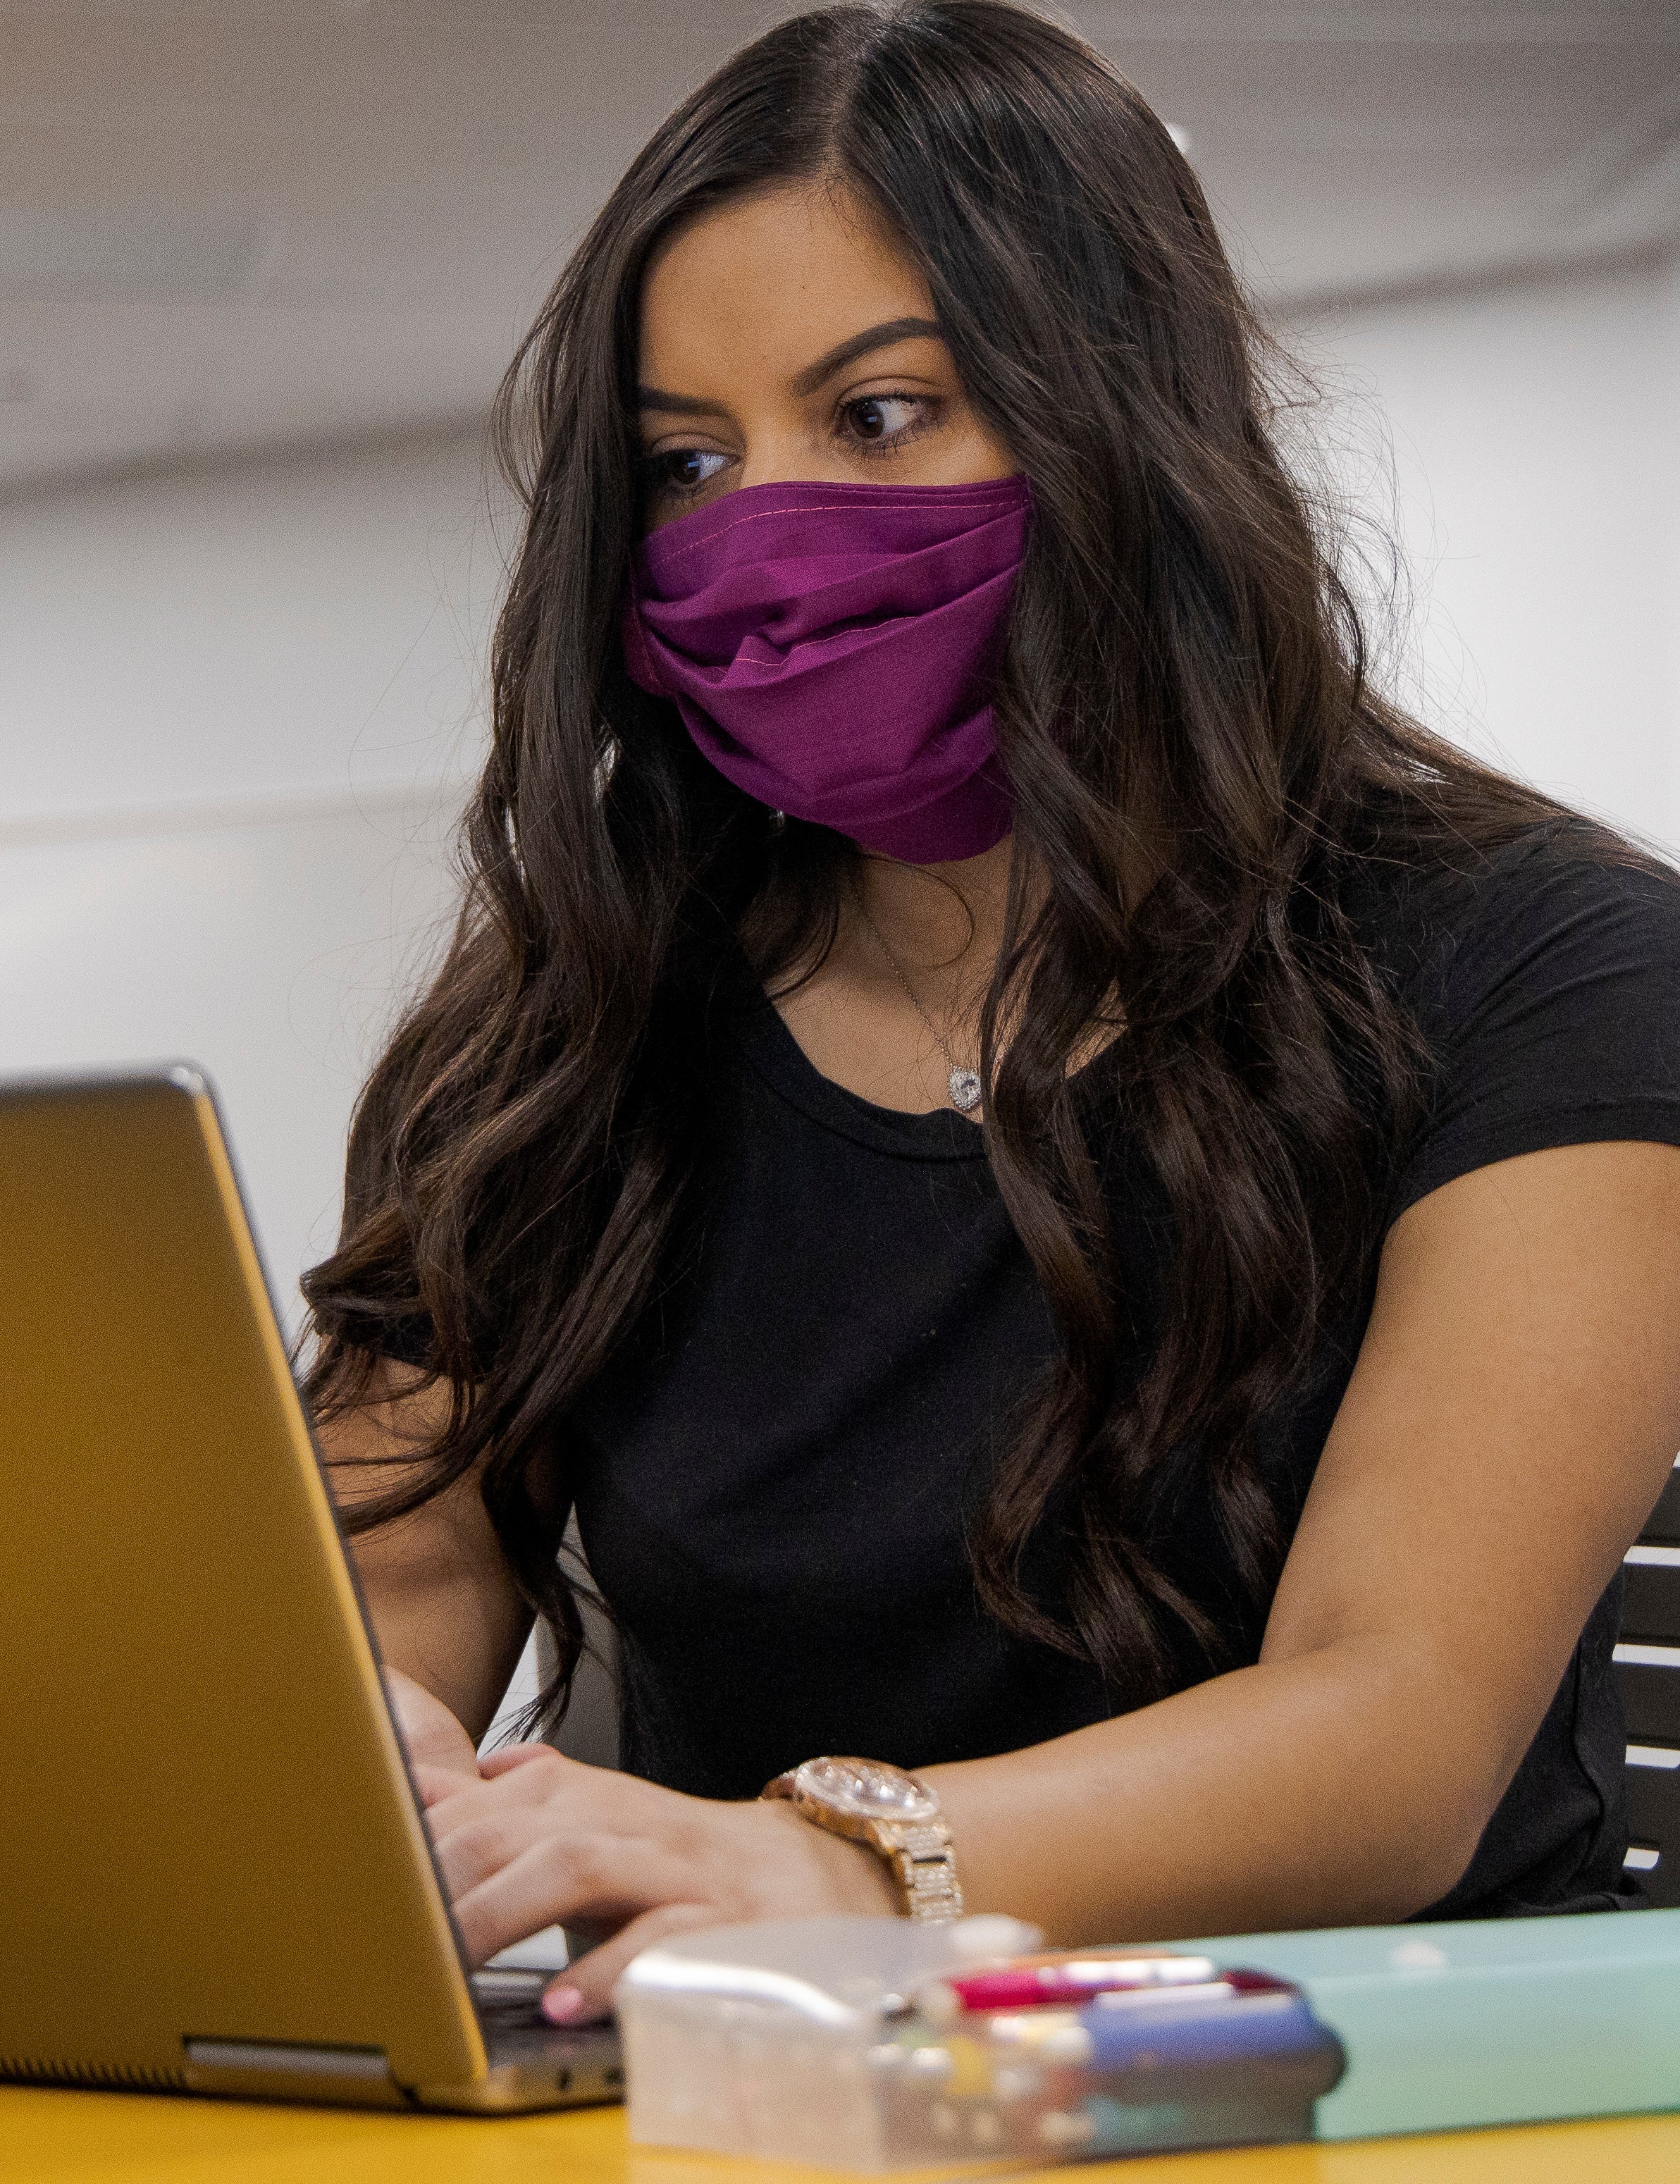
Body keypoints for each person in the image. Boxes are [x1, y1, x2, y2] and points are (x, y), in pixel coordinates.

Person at [302, 0, 1680, 2026]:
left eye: (875, 416)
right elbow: (385, 1568)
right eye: (685, 461)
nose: (758, 529)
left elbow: (1390, 1730)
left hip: (1376, 2086)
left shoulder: (1547, 958)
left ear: (1122, 416)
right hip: (750, 2090)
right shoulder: (559, 1030)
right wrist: (344, 1739)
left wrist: (832, 1854)